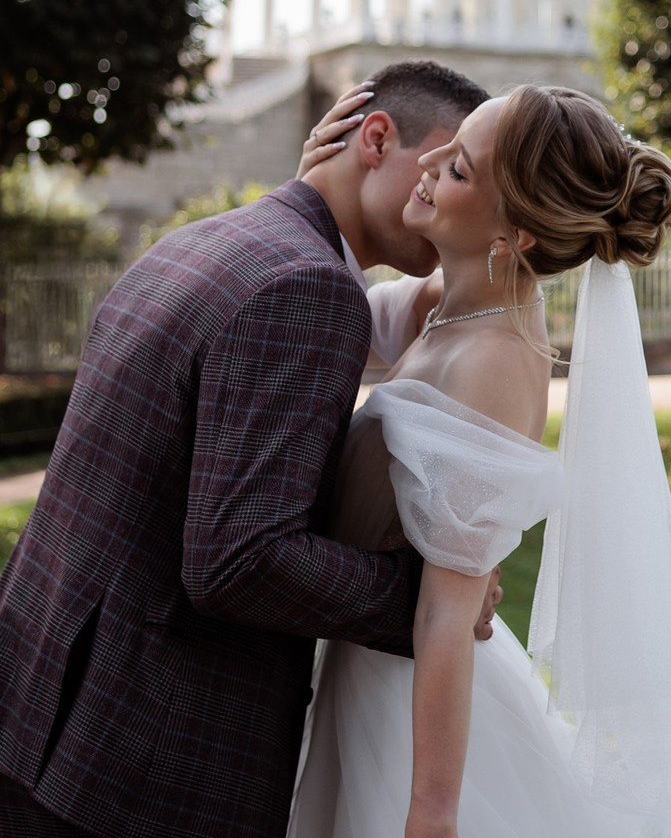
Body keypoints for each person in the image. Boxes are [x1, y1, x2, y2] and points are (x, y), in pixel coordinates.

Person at [0, 59, 491, 838]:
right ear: (373, 137)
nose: (443, 190)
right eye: (437, 164)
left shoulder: (209, 241)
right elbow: (241, 559)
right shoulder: (307, 288)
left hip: (42, 709)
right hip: (144, 766)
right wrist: (422, 603)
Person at [288, 85, 671, 838]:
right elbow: (325, 319)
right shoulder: (450, 300)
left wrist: (431, 812)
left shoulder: (494, 362)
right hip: (359, 671)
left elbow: (446, 612)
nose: (427, 162)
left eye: (458, 168)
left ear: (517, 235)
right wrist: (314, 197)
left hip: (404, 708)